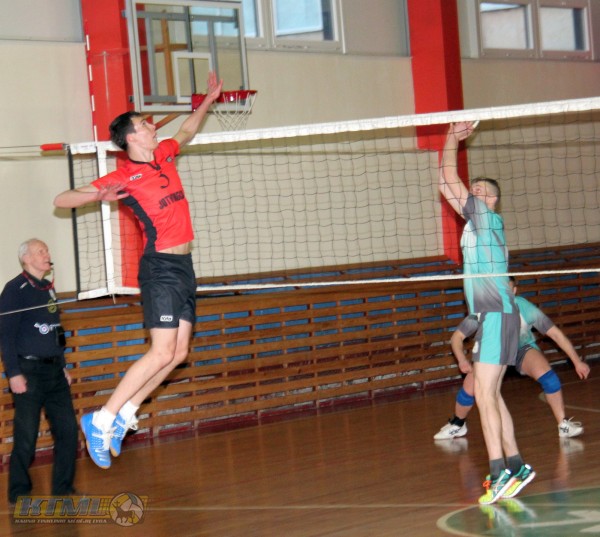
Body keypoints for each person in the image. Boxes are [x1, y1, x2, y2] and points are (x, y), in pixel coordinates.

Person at [53, 71, 224, 470]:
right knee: (161, 350)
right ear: (131, 137)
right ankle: (101, 419)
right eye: (144, 125)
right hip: (160, 267)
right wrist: (98, 195)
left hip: (183, 266)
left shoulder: (164, 153)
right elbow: (63, 198)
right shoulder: (123, 176)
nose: (152, 127)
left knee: (178, 353)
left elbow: (186, 130)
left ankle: (126, 413)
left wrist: (208, 99)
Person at [438, 121, 534, 505]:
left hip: (495, 314)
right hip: (495, 315)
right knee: (491, 393)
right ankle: (516, 466)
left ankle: (498, 475)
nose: (473, 191)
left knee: (484, 394)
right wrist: (452, 144)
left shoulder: (485, 217)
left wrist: (452, 135)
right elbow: (445, 184)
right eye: (473, 188)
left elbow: (449, 177)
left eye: (480, 190)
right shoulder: (478, 226)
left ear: (492, 200)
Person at [435, 277, 590, 441]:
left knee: (550, 379)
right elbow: (457, 337)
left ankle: (563, 425)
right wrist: (462, 360)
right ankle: (458, 424)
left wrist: (577, 361)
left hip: (521, 349)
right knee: (469, 389)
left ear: (514, 291)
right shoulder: (483, 310)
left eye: (508, 290)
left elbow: (556, 334)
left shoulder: (524, 308)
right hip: (492, 354)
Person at [0, 239, 78, 503]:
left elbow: (55, 331)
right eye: (40, 251)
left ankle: (63, 488)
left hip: (55, 372)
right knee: (26, 435)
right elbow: (6, 335)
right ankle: (19, 491)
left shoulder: (48, 288)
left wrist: (63, 365)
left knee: (68, 430)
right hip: (28, 372)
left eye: (47, 250)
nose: (47, 254)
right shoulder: (14, 290)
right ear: (27, 259)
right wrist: (13, 373)